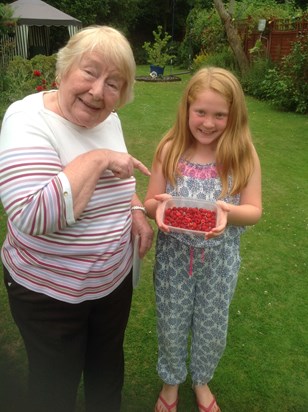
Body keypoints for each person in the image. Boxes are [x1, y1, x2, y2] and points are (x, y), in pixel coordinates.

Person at [0, 25, 153, 412]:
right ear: (64, 69)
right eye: (90, 72)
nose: (98, 91)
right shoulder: (26, 119)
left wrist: (135, 207)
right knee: (55, 387)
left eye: (114, 83)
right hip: (50, 294)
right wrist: (97, 158)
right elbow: (32, 214)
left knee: (106, 374)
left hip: (113, 282)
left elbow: (119, 177)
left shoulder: (110, 120)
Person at [144, 67, 262, 412]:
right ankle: (170, 382)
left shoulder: (242, 154)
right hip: (173, 259)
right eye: (201, 112)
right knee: (171, 321)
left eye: (219, 115)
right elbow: (152, 201)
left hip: (220, 262)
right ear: (187, 110)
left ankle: (201, 380)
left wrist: (228, 213)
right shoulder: (169, 149)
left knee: (211, 325)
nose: (208, 123)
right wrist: (159, 209)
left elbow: (254, 210)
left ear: (234, 115)